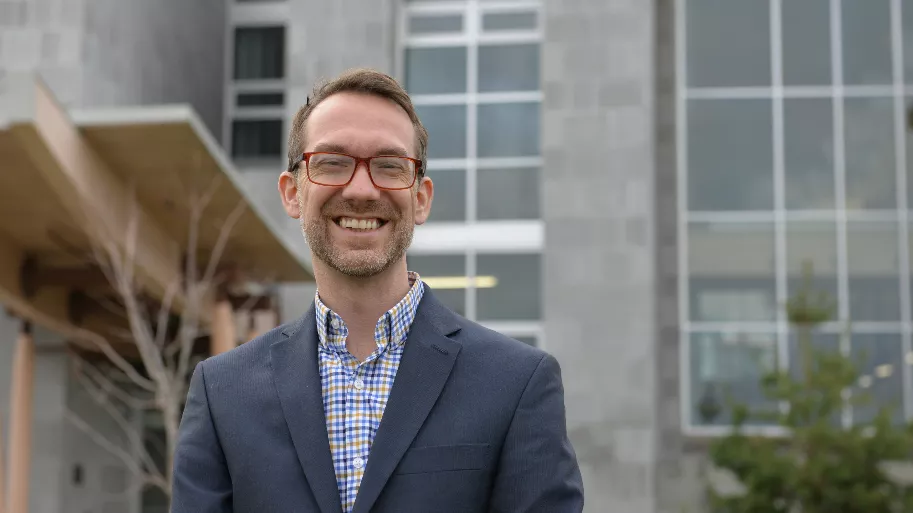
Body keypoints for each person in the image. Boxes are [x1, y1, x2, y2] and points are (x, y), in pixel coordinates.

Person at [170, 68, 584, 513]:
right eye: (332, 163)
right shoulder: (222, 393)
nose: (363, 189)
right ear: (292, 193)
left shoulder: (517, 384)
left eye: (389, 166)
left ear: (421, 198)